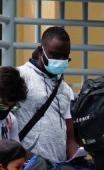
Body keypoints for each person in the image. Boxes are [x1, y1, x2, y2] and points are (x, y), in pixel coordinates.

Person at [17, 26, 78, 161]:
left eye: (65, 56)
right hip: (26, 166)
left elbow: (70, 137)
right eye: (55, 55)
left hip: (57, 168)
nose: (60, 60)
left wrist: (76, 163)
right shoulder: (21, 77)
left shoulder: (65, 90)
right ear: (41, 51)